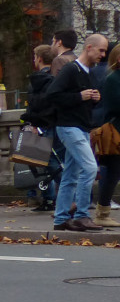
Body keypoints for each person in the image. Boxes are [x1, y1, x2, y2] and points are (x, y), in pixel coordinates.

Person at [47, 33, 107, 231]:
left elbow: (77, 100)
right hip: (69, 127)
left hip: (79, 127)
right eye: (101, 50)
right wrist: (79, 97)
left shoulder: (87, 72)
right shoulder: (71, 70)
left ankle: (61, 218)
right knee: (90, 168)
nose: (103, 54)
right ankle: (82, 214)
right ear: (88, 47)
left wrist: (92, 98)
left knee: (71, 174)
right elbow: (53, 95)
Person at [22, 44, 60, 212]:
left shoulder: (37, 81)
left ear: (39, 58)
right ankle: (51, 198)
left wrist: (32, 122)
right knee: (49, 161)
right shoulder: (55, 79)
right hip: (54, 123)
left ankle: (51, 197)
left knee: (46, 162)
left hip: (41, 125)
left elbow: (36, 105)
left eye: (34, 56)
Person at [93, 45, 120, 227]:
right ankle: (102, 213)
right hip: (116, 132)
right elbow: (114, 106)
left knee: (114, 172)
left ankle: (103, 212)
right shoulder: (112, 79)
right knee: (113, 172)